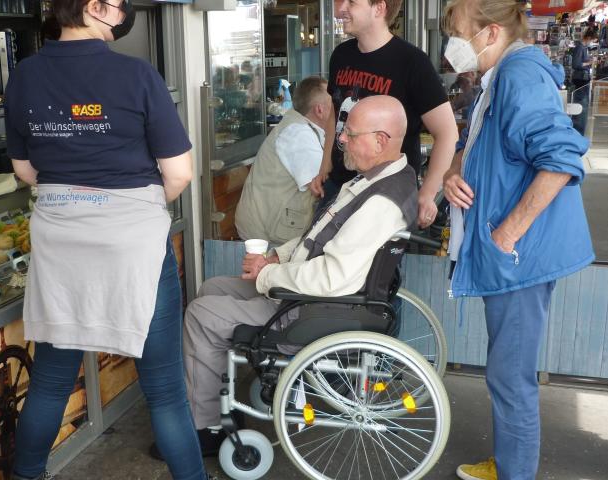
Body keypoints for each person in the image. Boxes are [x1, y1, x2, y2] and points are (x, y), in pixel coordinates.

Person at [2, 1, 205, 479]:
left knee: (50, 383)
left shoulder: (24, 76)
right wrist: (132, 205)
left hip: (60, 244)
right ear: (94, 6)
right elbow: (180, 173)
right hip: (133, 247)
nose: (125, 12)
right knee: (165, 390)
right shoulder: (137, 75)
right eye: (118, 4)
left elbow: (25, 171)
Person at [184, 96, 417, 455]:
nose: (340, 139)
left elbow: (332, 278)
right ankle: (219, 390)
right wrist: (277, 256)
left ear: (380, 140)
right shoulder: (381, 180)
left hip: (312, 307)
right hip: (309, 293)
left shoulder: (380, 202)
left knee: (200, 314)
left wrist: (268, 275)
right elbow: (320, 236)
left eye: (350, 134)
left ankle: (207, 427)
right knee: (211, 287)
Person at [441, 0, 594, 478]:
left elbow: (562, 159)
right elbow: (474, 143)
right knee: (507, 369)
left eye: (458, 32)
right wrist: (453, 171)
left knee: (510, 375)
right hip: (511, 256)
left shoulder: (519, 76)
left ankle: (515, 472)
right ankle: (510, 463)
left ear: (490, 33)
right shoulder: (501, 76)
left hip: (517, 258)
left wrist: (506, 235)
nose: (451, 44)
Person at [308, 0, 458, 229]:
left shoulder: (412, 62)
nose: (340, 9)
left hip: (385, 197)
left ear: (379, 8)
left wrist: (428, 192)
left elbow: (447, 133)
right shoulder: (341, 55)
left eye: (352, 2)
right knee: (315, 248)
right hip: (338, 188)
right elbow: (334, 116)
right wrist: (324, 166)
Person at [235, 76, 333, 244]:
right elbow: (322, 186)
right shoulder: (298, 134)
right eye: (334, 105)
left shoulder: (303, 127)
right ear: (320, 110)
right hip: (266, 236)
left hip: (273, 225)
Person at [570, 29, 596, 135]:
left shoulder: (584, 48)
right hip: (580, 80)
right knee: (581, 105)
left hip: (583, 78)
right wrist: (589, 63)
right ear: (589, 38)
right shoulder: (580, 48)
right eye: (592, 40)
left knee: (582, 104)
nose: (592, 42)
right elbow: (576, 64)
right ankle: (578, 130)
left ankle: (579, 129)